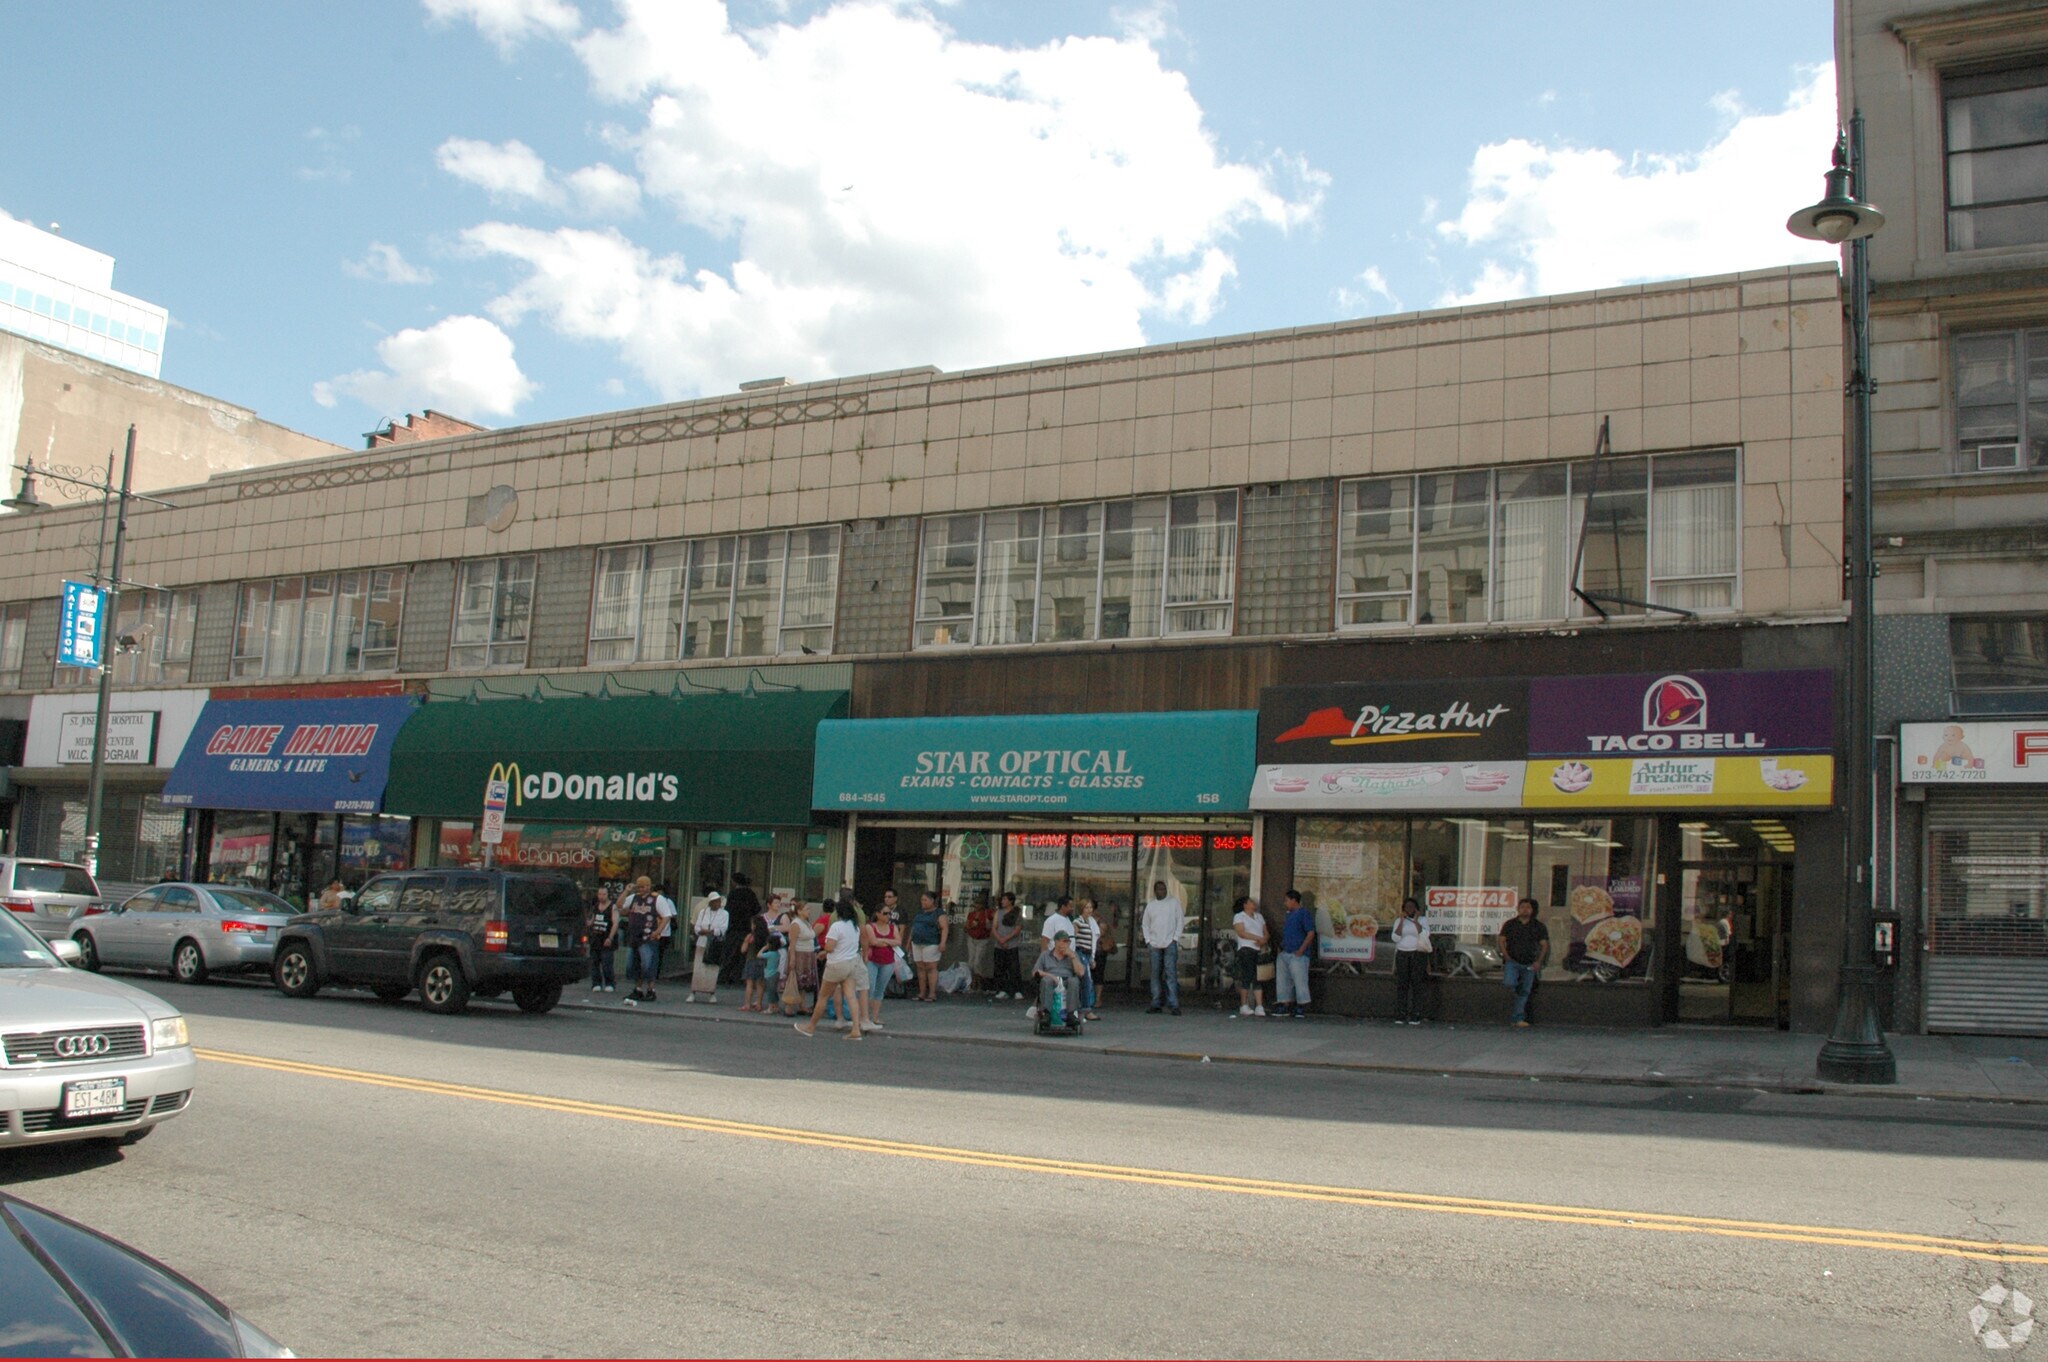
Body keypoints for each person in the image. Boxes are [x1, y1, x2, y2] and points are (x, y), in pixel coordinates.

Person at [795, 901, 864, 1040]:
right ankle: (856, 1029)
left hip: (836, 965)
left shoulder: (837, 926)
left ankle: (811, 1026)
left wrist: (824, 951)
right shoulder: (855, 927)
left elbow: (830, 947)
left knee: (823, 996)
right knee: (851, 996)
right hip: (851, 963)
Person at [1497, 896, 1550, 1028]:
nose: (1525, 910)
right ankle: (1517, 993)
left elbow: (1544, 945)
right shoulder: (1510, 924)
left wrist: (1539, 961)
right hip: (1513, 961)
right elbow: (1501, 939)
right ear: (1518, 909)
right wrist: (1506, 955)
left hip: (1530, 963)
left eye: (1528, 907)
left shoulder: (1538, 926)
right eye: (1522, 907)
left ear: (1532, 910)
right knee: (1510, 982)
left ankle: (1518, 1018)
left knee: (1525, 991)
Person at [1140, 880, 1185, 1015]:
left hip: (1170, 942)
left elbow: (1180, 921)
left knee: (1171, 973)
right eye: (1159, 889)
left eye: (1164, 889)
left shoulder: (1174, 903)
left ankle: (1174, 1004)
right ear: (1155, 891)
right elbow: (1145, 924)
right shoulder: (1151, 905)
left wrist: (1175, 938)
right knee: (1155, 974)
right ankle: (1156, 1003)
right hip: (1154, 943)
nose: (1162, 891)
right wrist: (1148, 940)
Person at [1275, 889, 1317, 1019]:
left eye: (1287, 900)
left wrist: (1301, 950)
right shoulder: (1289, 914)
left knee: (1300, 979)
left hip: (1298, 953)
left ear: (1294, 900)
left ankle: (1302, 1005)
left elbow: (1310, 933)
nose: (1285, 903)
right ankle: (1284, 1003)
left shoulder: (1304, 913)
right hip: (1286, 951)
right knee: (1283, 979)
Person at [1389, 896, 1431, 1025]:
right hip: (1402, 953)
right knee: (1402, 984)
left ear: (1416, 909)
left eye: (1412, 907)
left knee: (1416, 984)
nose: (1409, 909)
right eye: (1407, 907)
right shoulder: (1399, 921)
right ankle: (1401, 1014)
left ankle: (1416, 1014)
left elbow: (1424, 934)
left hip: (1417, 954)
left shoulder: (1423, 920)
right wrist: (1402, 921)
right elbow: (1395, 938)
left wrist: (1416, 920)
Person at [1031, 931, 1085, 1027]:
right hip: (1051, 979)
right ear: (1056, 942)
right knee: (1046, 981)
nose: (1066, 944)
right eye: (1063, 941)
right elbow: (1035, 972)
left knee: (1074, 981)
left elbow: (1081, 973)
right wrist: (1051, 976)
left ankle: (1071, 1014)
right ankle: (1046, 1013)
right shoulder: (1045, 955)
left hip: (1066, 980)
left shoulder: (1073, 955)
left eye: (1068, 942)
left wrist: (1073, 957)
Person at [862, 897, 901, 1030]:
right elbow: (873, 942)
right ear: (877, 914)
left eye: (889, 913)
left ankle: (875, 1016)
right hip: (873, 960)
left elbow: (898, 941)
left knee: (880, 989)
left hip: (888, 961)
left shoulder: (892, 927)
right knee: (870, 987)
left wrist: (883, 941)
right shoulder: (870, 926)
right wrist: (888, 941)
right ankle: (864, 1016)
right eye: (885, 913)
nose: (888, 916)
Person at [620, 888, 661, 1004]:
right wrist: (626, 891)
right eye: (640, 886)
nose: (642, 888)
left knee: (648, 964)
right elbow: (619, 905)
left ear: (649, 886)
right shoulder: (634, 898)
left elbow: (667, 916)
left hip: (648, 937)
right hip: (634, 937)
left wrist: (658, 931)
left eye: (644, 886)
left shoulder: (656, 898)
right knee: (633, 963)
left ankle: (651, 989)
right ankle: (638, 989)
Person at [720, 874, 761, 985]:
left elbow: (727, 910)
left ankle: (725, 975)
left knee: (730, 952)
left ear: (735, 882)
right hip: (745, 927)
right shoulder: (750, 894)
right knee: (742, 952)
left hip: (733, 927)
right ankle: (738, 975)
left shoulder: (733, 894)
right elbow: (757, 908)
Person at [1231, 895, 1268, 1018]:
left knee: (1258, 977)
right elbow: (1241, 932)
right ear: (1245, 905)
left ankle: (1259, 1005)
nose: (1253, 903)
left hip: (1259, 949)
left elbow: (1266, 932)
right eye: (1251, 902)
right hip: (1246, 949)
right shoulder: (1239, 916)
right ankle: (1244, 1005)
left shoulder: (1259, 916)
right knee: (1247, 975)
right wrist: (1257, 938)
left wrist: (1264, 940)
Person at [909, 891, 950, 1002]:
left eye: (925, 900)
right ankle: (922, 993)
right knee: (920, 967)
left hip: (931, 943)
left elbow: (944, 928)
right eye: (922, 900)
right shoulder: (920, 913)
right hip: (917, 942)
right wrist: (909, 942)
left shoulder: (939, 913)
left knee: (931, 967)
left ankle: (932, 993)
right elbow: (914, 928)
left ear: (932, 901)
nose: (923, 902)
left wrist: (942, 942)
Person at [690, 891, 729, 1004]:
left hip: (715, 944)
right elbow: (697, 927)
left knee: (712, 969)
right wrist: (702, 931)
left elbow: (723, 928)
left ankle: (711, 993)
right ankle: (693, 992)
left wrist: (711, 931)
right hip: (702, 942)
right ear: (710, 903)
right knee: (698, 968)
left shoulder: (724, 913)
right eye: (714, 902)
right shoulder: (703, 912)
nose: (717, 904)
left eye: (718, 901)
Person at [778, 899, 816, 1016]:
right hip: (799, 953)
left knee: (803, 982)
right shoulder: (796, 924)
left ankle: (802, 1005)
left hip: (808, 954)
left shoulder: (807, 923)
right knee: (794, 980)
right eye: (806, 909)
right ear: (799, 911)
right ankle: (789, 1006)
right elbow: (792, 943)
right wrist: (793, 958)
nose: (809, 911)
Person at [1070, 899, 1105, 1022]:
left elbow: (1093, 942)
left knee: (1085, 980)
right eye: (1086, 907)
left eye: (1090, 907)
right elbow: (1073, 938)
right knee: (1087, 980)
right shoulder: (1078, 922)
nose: (1089, 910)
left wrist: (1092, 957)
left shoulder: (1091, 922)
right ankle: (1086, 1009)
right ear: (1081, 909)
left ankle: (1083, 1007)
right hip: (1080, 951)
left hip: (1088, 953)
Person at [990, 894, 1025, 1000]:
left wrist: (1006, 939)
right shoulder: (998, 912)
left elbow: (1018, 929)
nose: (1002, 901)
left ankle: (1017, 990)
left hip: (1012, 945)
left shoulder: (1016, 913)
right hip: (999, 945)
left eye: (1005, 899)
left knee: (1014, 968)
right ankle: (1002, 989)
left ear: (1011, 901)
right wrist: (1000, 939)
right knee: (1000, 968)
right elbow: (994, 928)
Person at [587, 886, 619, 994]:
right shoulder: (596, 906)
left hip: (606, 939)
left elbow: (615, 923)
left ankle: (610, 983)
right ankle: (596, 983)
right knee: (595, 962)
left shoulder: (612, 907)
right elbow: (591, 921)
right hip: (595, 939)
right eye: (599, 894)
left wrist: (610, 937)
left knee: (607, 963)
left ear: (607, 895)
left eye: (603, 894)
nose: (601, 896)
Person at [964, 895, 995, 994]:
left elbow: (994, 923)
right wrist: (971, 925)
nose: (976, 905)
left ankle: (979, 983)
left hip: (982, 939)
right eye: (975, 903)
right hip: (972, 938)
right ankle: (972, 982)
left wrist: (988, 923)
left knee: (978, 962)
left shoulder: (987, 913)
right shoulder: (971, 914)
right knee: (971, 962)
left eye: (978, 903)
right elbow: (966, 928)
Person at [740, 914, 771, 1012]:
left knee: (749, 984)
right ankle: (759, 1004)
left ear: (754, 925)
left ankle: (747, 1004)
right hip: (762, 961)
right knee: (760, 984)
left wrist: (745, 942)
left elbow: (743, 950)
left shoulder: (750, 936)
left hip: (751, 960)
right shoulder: (766, 936)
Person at [652, 879, 679, 978]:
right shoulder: (650, 901)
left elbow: (673, 915)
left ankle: (656, 973)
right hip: (652, 931)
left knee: (659, 954)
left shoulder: (668, 902)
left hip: (664, 932)